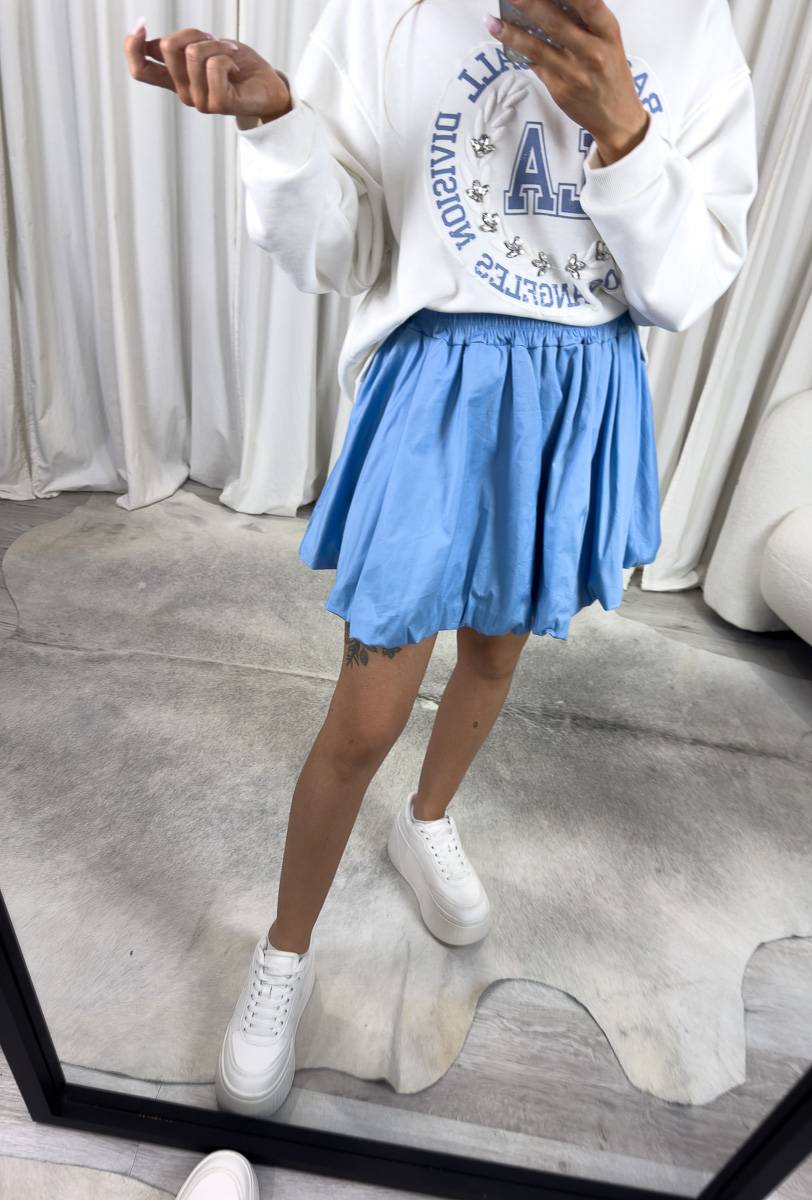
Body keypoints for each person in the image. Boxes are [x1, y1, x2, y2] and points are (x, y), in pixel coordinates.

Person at [125, 0, 758, 1139]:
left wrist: (625, 135)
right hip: (436, 387)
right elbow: (340, 249)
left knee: (497, 655)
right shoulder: (387, 14)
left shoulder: (694, 29)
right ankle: (284, 952)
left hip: (577, 393)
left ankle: (426, 821)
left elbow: (685, 284)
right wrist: (279, 125)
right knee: (364, 716)